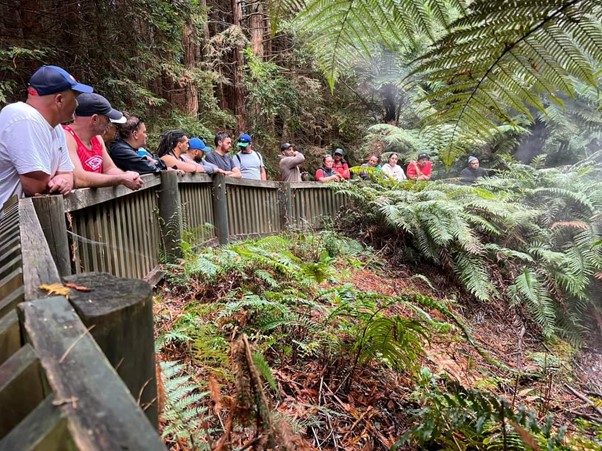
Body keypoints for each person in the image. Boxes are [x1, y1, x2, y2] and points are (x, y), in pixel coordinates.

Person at [0, 65, 94, 209]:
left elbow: (68, 173)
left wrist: (63, 179)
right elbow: (35, 187)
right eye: (75, 97)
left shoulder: (55, 128)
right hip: (6, 227)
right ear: (59, 100)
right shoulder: (24, 118)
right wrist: (57, 179)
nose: (77, 103)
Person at [62, 93, 143, 190]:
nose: (109, 123)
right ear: (95, 119)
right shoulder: (66, 137)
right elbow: (79, 178)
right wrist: (120, 178)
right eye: (107, 118)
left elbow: (109, 168)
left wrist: (128, 176)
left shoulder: (97, 138)